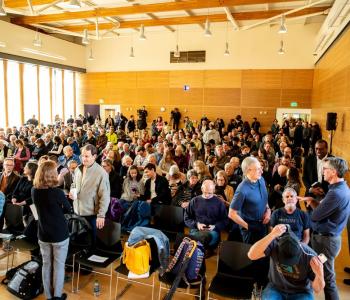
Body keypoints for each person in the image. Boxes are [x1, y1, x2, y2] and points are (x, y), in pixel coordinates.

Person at [298, 157, 350, 300]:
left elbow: (315, 216)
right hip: (328, 239)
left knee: (328, 279)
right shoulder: (341, 187)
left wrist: (309, 209)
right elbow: (323, 209)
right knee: (325, 275)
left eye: (325, 169)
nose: (323, 171)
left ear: (333, 172)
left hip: (326, 243)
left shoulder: (335, 193)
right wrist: (312, 200)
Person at [248, 224, 325, 300]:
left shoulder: (310, 256)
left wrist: (320, 274)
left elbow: (317, 290)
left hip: (301, 292)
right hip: (276, 288)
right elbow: (251, 255)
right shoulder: (275, 244)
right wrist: (272, 234)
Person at [32, 160, 72, 300]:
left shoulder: (34, 190)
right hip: (59, 234)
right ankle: (57, 296)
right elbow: (68, 209)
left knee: (46, 265)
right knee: (59, 266)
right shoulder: (57, 192)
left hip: (43, 233)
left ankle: (48, 296)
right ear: (52, 174)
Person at [70, 144, 110, 240]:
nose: (84, 158)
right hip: (77, 211)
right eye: (82, 156)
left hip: (91, 215)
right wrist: (72, 190)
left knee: (91, 242)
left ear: (94, 156)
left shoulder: (101, 173)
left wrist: (101, 215)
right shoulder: (78, 169)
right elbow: (74, 184)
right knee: (78, 241)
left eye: (87, 156)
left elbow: (105, 196)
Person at [228, 156, 271, 244]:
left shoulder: (261, 179)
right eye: (258, 169)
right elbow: (231, 214)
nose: (262, 171)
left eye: (261, 168)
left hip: (263, 222)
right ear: (248, 171)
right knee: (251, 254)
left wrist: (268, 210)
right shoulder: (242, 189)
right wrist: (248, 226)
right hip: (251, 227)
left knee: (263, 250)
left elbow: (264, 197)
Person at [184, 180, 228, 250]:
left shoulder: (219, 203)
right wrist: (197, 225)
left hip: (213, 231)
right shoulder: (194, 201)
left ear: (214, 190)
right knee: (195, 238)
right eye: (205, 192)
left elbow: (225, 220)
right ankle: (196, 250)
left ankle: (195, 249)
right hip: (197, 229)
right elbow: (187, 218)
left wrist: (215, 226)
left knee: (199, 239)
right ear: (201, 189)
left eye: (209, 193)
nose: (207, 195)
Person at [0, 158, 20, 231]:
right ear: (3, 166)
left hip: (7, 201)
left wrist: (4, 198)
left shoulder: (17, 178)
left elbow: (15, 192)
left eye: (11, 165)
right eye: (7, 165)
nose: (9, 167)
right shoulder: (0, 174)